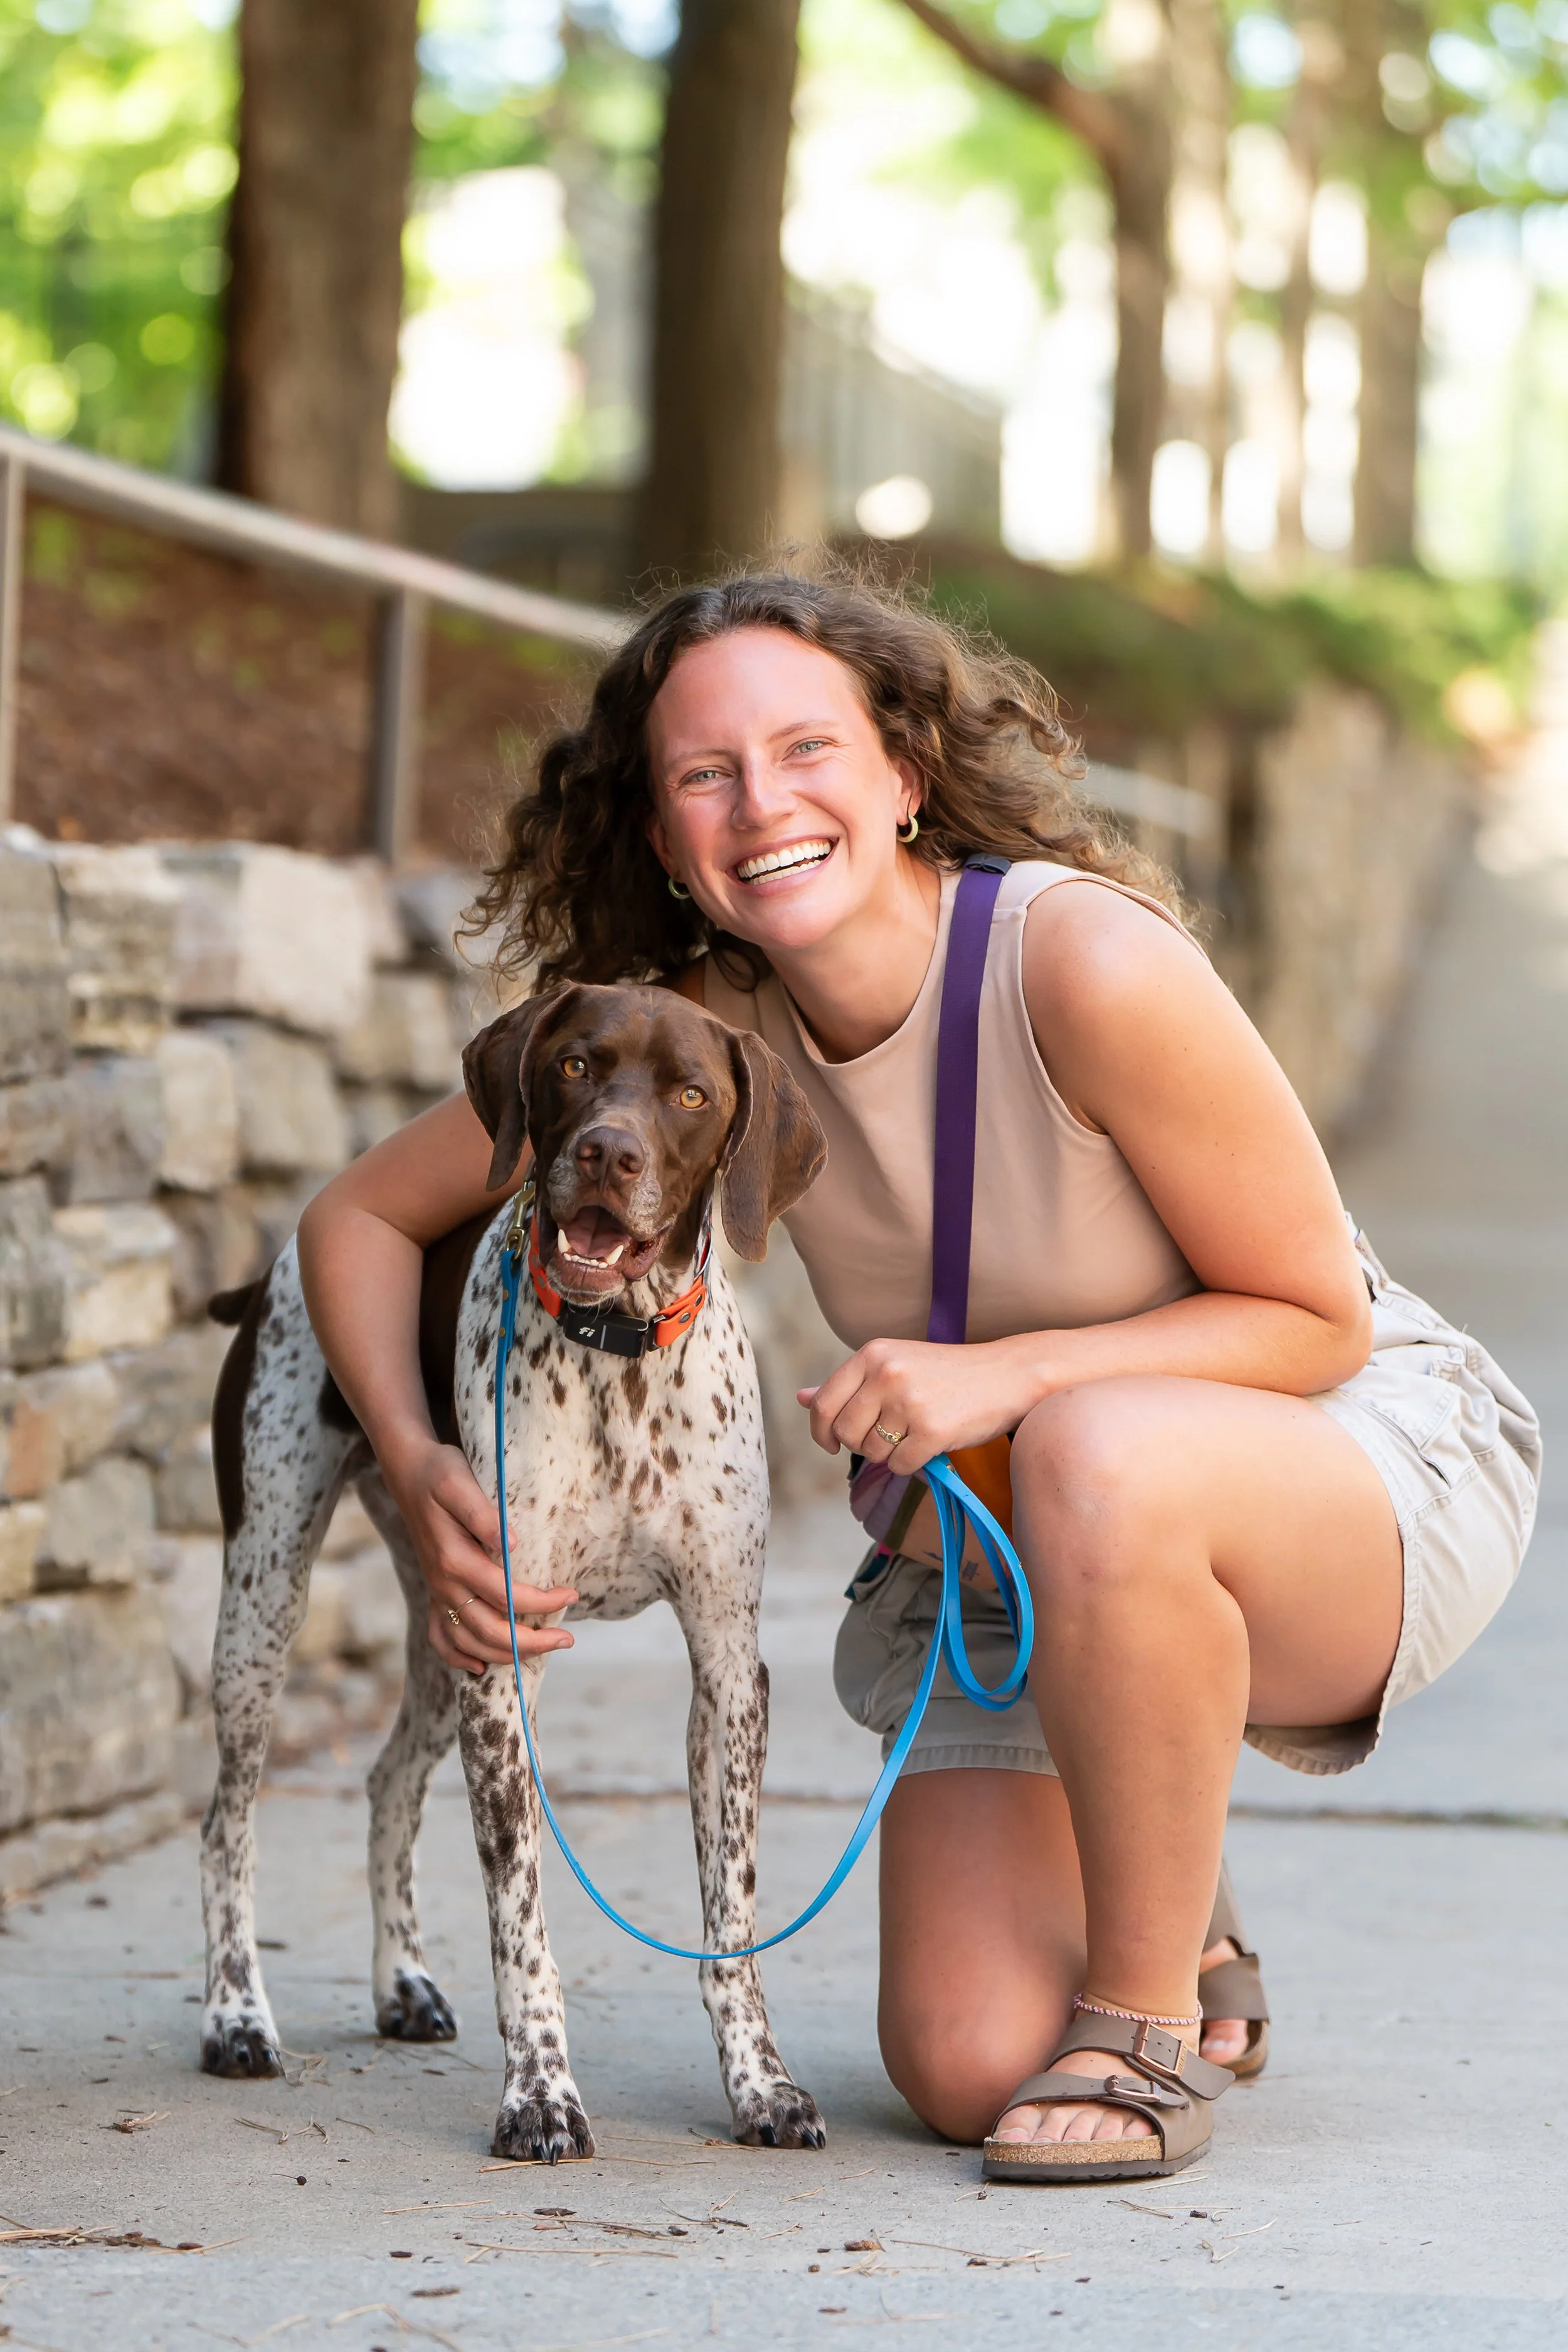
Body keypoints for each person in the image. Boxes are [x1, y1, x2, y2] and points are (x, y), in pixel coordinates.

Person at [297, 570, 1539, 2180]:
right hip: (1019, 1541)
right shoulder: (694, 1045)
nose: (763, 804)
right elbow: (356, 1220)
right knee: (960, 2065)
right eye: (704, 774)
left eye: (806, 748)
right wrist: (419, 1469)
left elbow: (1314, 1319)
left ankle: (1149, 2021)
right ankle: (1168, 1854)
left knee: (1091, 1440)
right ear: (664, 832)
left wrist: (1005, 1374)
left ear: (898, 769)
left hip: (1347, 1465)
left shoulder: (1077, 964)